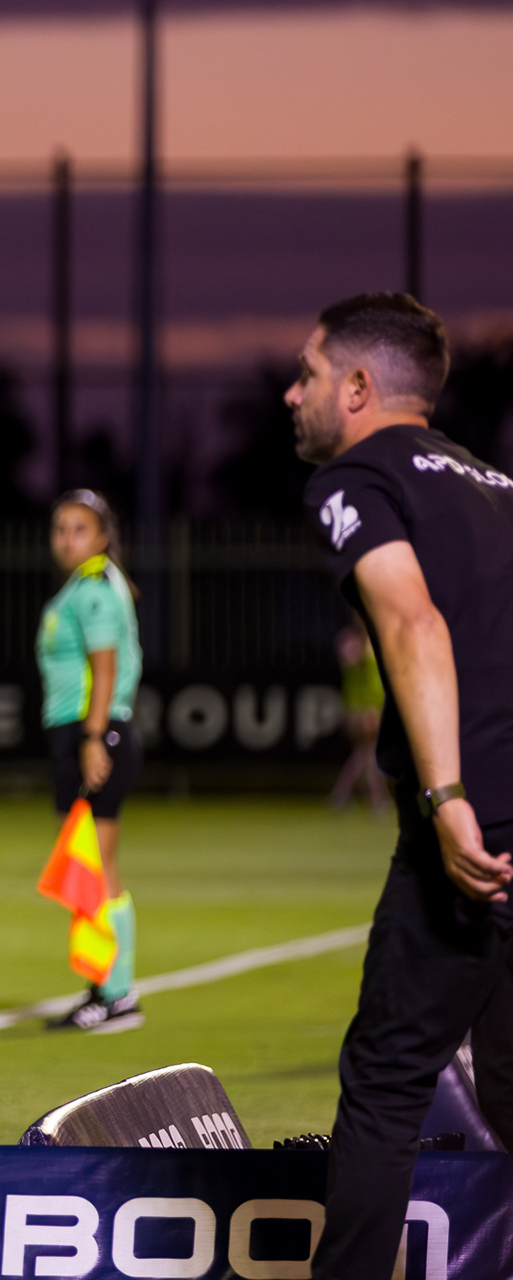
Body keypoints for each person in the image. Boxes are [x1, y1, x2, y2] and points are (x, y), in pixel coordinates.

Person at [288, 292, 513, 1278]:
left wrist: (447, 798)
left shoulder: (358, 475)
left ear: (357, 387)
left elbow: (412, 621)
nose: (290, 393)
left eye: (306, 373)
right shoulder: (498, 485)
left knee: (385, 1084)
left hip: (472, 833)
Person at [37, 489, 145, 1033]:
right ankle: (110, 991)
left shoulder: (96, 588)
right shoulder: (87, 585)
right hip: (84, 732)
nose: (67, 539)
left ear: (103, 536)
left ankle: (112, 993)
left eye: (79, 529)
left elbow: (106, 668)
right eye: (60, 528)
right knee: (95, 867)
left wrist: (93, 737)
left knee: (94, 868)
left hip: (93, 731)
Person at [330, 620, 387, 814]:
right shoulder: (363, 662)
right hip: (366, 712)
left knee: (364, 757)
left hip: (362, 711)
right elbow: (367, 690)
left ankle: (345, 796)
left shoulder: (359, 663)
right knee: (368, 757)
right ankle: (375, 799)